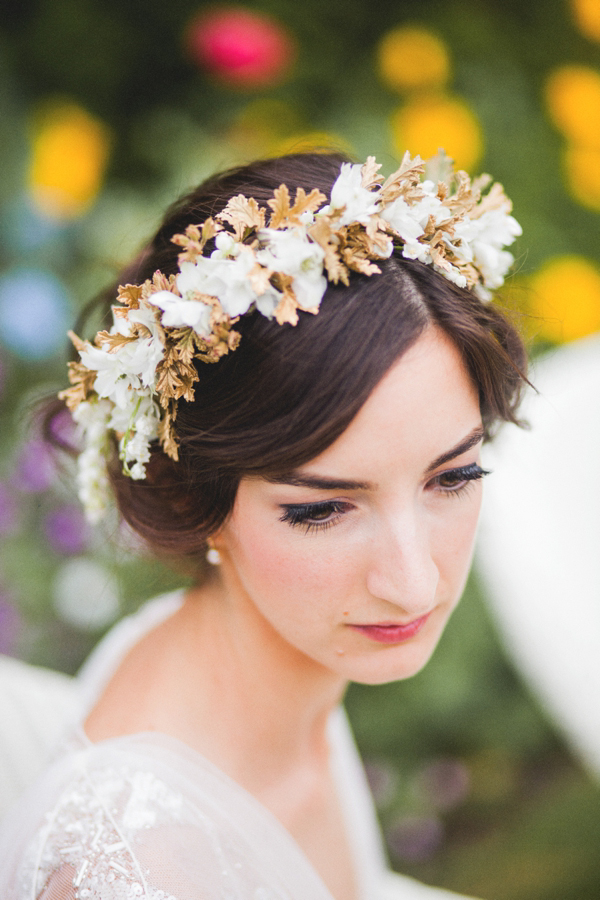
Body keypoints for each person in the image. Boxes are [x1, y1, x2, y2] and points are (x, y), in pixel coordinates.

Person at [0, 150, 526, 899]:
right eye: (321, 509)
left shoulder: (287, 675)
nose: (414, 581)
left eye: (454, 477)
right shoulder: (143, 871)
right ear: (194, 497)